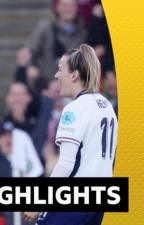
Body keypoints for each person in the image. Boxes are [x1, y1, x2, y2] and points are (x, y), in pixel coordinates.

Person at [23, 44, 118, 225]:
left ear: (74, 75)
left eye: (60, 69)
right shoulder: (106, 106)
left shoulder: (74, 109)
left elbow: (66, 164)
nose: (56, 75)